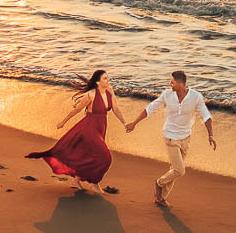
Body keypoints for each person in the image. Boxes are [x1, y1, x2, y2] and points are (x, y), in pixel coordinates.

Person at [125, 70, 216, 206]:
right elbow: (150, 108)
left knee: (174, 170)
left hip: (186, 138)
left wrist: (211, 135)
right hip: (170, 136)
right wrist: (134, 123)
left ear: (180, 83)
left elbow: (206, 116)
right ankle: (159, 183)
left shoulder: (196, 97)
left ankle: (160, 198)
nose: (170, 84)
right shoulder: (167, 94)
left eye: (172, 82)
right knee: (179, 170)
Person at [26, 69, 126, 194]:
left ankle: (76, 179)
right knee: (105, 157)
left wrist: (124, 123)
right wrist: (63, 121)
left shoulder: (110, 91)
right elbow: (77, 110)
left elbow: (116, 109)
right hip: (89, 128)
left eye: (108, 77)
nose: (108, 80)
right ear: (98, 82)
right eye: (105, 78)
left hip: (101, 128)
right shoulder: (90, 95)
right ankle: (94, 183)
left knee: (89, 155)